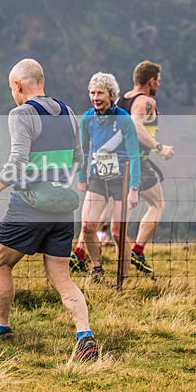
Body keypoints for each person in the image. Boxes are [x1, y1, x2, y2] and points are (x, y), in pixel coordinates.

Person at [0, 58, 97, 361]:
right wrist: (56, 183)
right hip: (61, 207)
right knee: (61, 277)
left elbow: (17, 161)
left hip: (28, 206)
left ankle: (2, 328)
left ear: (18, 85)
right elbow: (79, 157)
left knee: (1, 263)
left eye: (11, 88)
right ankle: (85, 336)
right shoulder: (69, 112)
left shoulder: (21, 114)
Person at [76, 73, 141, 278]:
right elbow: (82, 150)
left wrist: (134, 188)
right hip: (97, 179)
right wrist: (81, 178)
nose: (96, 97)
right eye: (92, 93)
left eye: (100, 93)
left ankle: (122, 278)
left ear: (111, 95)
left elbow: (134, 154)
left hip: (121, 181)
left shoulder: (123, 119)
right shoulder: (87, 118)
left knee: (117, 232)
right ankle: (97, 269)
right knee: (87, 226)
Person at [116, 60, 173, 274]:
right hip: (136, 161)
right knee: (157, 204)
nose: (158, 84)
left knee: (115, 210)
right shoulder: (146, 102)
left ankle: (81, 252)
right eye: (158, 81)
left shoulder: (122, 99)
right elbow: (135, 124)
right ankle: (137, 251)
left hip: (116, 161)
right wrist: (159, 147)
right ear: (151, 81)